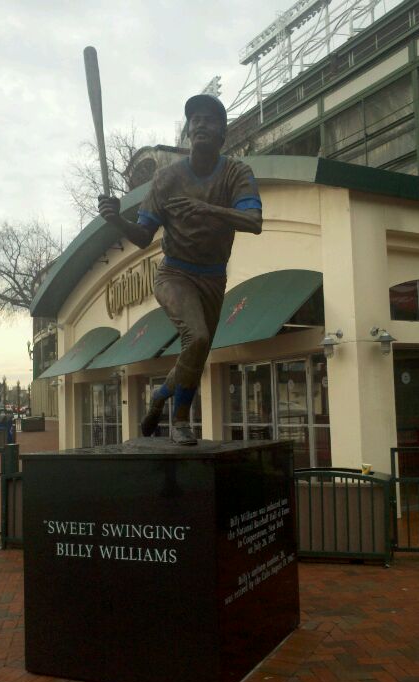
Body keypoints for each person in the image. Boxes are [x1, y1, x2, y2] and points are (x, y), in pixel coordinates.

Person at [98, 94, 262, 445]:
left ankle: (160, 396)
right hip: (175, 273)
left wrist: (205, 209)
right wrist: (117, 221)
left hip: (214, 276)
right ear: (189, 131)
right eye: (195, 119)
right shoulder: (167, 177)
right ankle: (181, 420)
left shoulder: (236, 172)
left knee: (198, 353)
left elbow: (253, 220)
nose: (200, 124)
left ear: (223, 134)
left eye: (209, 119)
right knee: (198, 338)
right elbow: (143, 237)